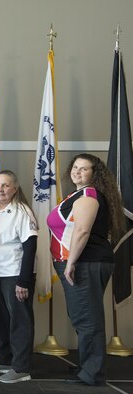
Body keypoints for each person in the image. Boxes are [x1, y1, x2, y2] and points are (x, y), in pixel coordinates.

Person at [48, 153, 124, 386]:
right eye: (76, 167)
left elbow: (82, 231)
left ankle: (92, 374)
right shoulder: (76, 194)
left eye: (84, 169)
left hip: (84, 263)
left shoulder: (89, 196)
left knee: (87, 318)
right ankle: (88, 368)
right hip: (81, 262)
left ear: (94, 174)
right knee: (83, 315)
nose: (78, 171)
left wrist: (71, 263)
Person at [0, 170, 37, 384]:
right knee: (1, 320)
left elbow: (30, 246)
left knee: (19, 321)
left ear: (15, 188)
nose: (0, 189)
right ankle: (5, 360)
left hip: (15, 275)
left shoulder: (22, 211)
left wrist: (23, 281)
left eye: (5, 185)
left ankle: (21, 367)